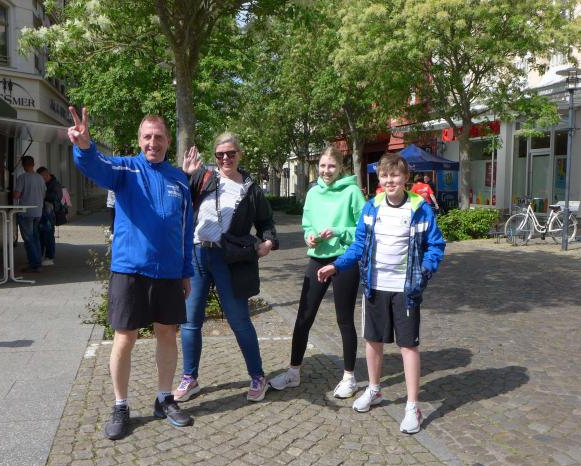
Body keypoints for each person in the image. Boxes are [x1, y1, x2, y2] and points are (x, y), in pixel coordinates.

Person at [69, 106, 195, 440]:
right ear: (139, 140)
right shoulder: (125, 169)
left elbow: (185, 230)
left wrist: (186, 271)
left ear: (168, 141)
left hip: (168, 273)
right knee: (125, 338)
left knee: (167, 334)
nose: (153, 142)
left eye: (159, 137)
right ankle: (121, 405)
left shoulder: (179, 180)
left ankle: (164, 398)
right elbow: (95, 166)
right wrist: (85, 146)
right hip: (130, 269)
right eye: (147, 137)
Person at [316, 153, 445, 434]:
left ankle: (412, 406)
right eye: (385, 176)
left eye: (395, 175)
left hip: (406, 289)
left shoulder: (420, 208)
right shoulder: (372, 207)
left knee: (408, 345)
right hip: (375, 285)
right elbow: (359, 245)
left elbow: (436, 245)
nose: (390, 181)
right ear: (379, 179)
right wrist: (336, 265)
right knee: (373, 340)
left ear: (405, 178)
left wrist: (424, 271)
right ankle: (374, 389)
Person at [175, 133, 278, 403]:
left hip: (229, 258)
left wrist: (268, 241)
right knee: (190, 321)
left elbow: (266, 221)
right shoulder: (204, 177)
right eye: (220, 154)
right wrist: (186, 175)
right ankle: (190, 377)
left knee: (239, 320)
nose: (225, 159)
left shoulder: (251, 188)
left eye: (230, 154)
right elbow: (177, 199)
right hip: (197, 254)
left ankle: (257, 376)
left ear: (239, 154)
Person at [268, 146, 366, 398]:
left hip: (344, 260)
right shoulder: (313, 193)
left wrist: (339, 231)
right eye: (322, 166)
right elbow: (307, 224)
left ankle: (349, 377)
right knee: (304, 316)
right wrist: (309, 236)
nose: (326, 171)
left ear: (341, 167)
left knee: (344, 319)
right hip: (317, 258)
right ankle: (293, 372)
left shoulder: (352, 192)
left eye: (331, 166)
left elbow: (364, 230)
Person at [13, 156, 47, 273]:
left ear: (23, 165)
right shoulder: (40, 178)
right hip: (38, 212)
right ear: (33, 164)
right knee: (35, 237)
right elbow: (44, 195)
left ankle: (35, 264)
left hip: (26, 213)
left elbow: (16, 195)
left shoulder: (22, 178)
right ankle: (38, 261)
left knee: (29, 239)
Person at [37, 166, 63, 266]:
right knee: (42, 235)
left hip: (50, 214)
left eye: (40, 177)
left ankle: (49, 257)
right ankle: (41, 256)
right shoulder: (48, 183)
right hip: (45, 213)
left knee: (48, 235)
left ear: (46, 175)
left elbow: (57, 197)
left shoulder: (55, 184)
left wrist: (43, 194)